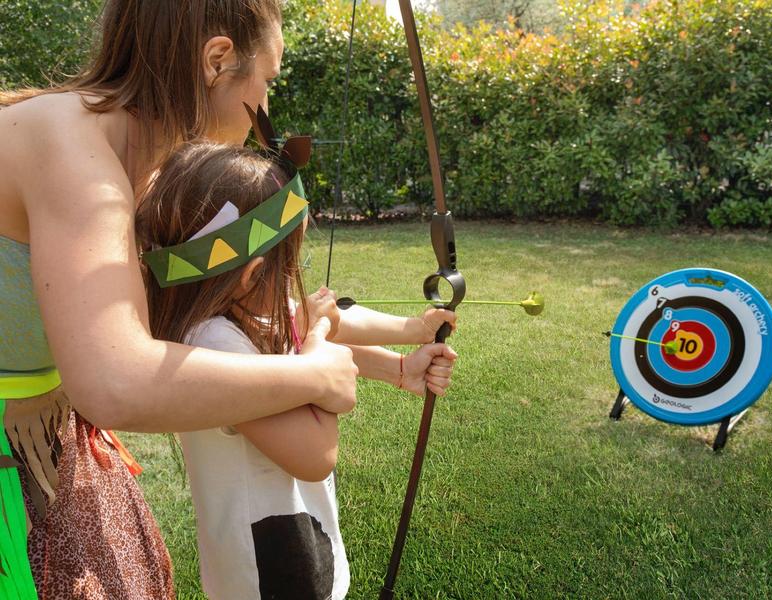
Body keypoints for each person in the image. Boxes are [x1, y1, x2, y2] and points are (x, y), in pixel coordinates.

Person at [0, 1, 456, 597]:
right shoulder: (70, 148)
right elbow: (115, 381)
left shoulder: (153, 177)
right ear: (218, 61)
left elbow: (262, 321)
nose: (266, 109)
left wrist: (396, 356)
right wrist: (314, 378)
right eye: (267, 81)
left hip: (46, 434)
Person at [136, 129, 456, 599]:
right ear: (249, 275)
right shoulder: (217, 347)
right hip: (270, 565)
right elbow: (314, 454)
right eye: (294, 260)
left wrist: (409, 344)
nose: (299, 277)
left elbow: (314, 320)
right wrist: (319, 337)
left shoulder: (235, 309)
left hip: (293, 538)